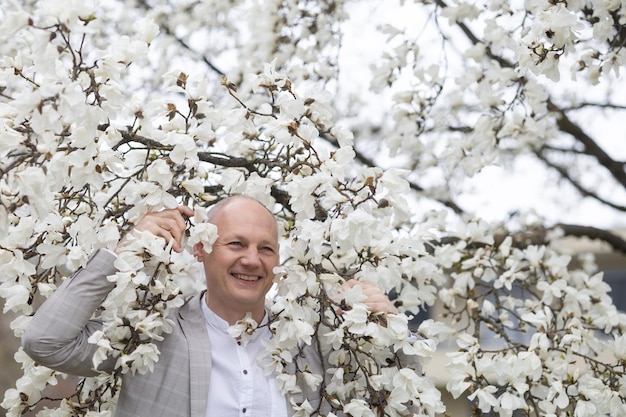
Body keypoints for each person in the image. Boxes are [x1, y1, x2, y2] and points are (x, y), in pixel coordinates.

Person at [22, 196, 412, 417]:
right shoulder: (150, 332)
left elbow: (396, 401)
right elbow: (46, 341)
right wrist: (122, 253)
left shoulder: (309, 342)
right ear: (201, 250)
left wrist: (393, 333)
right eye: (236, 244)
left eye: (266, 248)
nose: (252, 260)